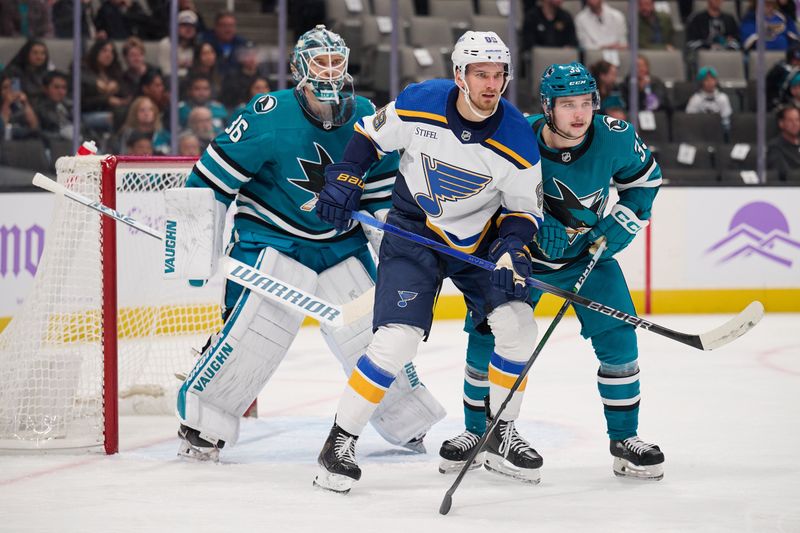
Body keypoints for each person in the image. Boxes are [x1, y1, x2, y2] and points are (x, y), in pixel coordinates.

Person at [175, 25, 444, 463]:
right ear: (299, 68)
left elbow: (381, 190)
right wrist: (191, 244)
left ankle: (405, 417)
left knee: (372, 333)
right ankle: (204, 420)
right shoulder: (268, 113)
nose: (331, 71)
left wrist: (389, 232)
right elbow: (209, 180)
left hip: (340, 245)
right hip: (271, 236)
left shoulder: (366, 113)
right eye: (321, 62)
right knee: (257, 331)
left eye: (337, 62)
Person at [313, 30, 544, 494]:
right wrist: (346, 177)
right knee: (395, 341)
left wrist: (513, 247)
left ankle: (500, 432)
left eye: (498, 75)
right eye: (481, 74)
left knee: (519, 325)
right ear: (459, 75)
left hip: (479, 242)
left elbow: (523, 210)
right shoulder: (421, 102)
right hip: (413, 231)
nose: (491, 84)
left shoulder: (517, 136)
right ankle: (338, 444)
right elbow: (369, 135)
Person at [444, 62, 665, 482]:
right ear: (548, 107)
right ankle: (478, 432)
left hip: (587, 257)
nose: (579, 114)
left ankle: (624, 440)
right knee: (486, 337)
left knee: (619, 340)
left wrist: (619, 224)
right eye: (568, 105)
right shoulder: (515, 135)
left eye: (586, 103)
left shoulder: (614, 137)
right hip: (520, 260)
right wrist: (524, 220)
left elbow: (644, 185)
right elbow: (481, 194)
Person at [685, 66, 733, 133]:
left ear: (716, 81)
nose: (710, 82)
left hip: (719, 132)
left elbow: (727, 120)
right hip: (699, 132)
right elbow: (690, 120)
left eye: (712, 79)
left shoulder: (723, 98)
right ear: (701, 82)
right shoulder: (695, 99)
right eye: (706, 80)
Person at [33, 70, 73, 141]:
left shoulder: (69, 105)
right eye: (56, 87)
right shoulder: (39, 107)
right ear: (45, 88)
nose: (61, 92)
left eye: (64, 88)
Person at [767, 104, 800, 180]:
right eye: (790, 120)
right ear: (781, 123)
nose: (795, 124)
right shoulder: (775, 147)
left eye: (797, 120)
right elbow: (782, 173)